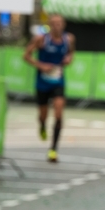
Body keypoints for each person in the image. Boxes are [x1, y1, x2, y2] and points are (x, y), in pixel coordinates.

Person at [23, 14, 75, 162]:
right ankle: (42, 125)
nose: (57, 26)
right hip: (42, 82)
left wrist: (69, 59)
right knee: (43, 115)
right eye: (54, 23)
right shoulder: (41, 39)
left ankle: (53, 149)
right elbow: (26, 56)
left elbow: (71, 53)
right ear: (49, 25)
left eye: (59, 23)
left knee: (59, 113)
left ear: (63, 24)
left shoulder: (69, 39)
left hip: (58, 81)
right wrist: (41, 65)